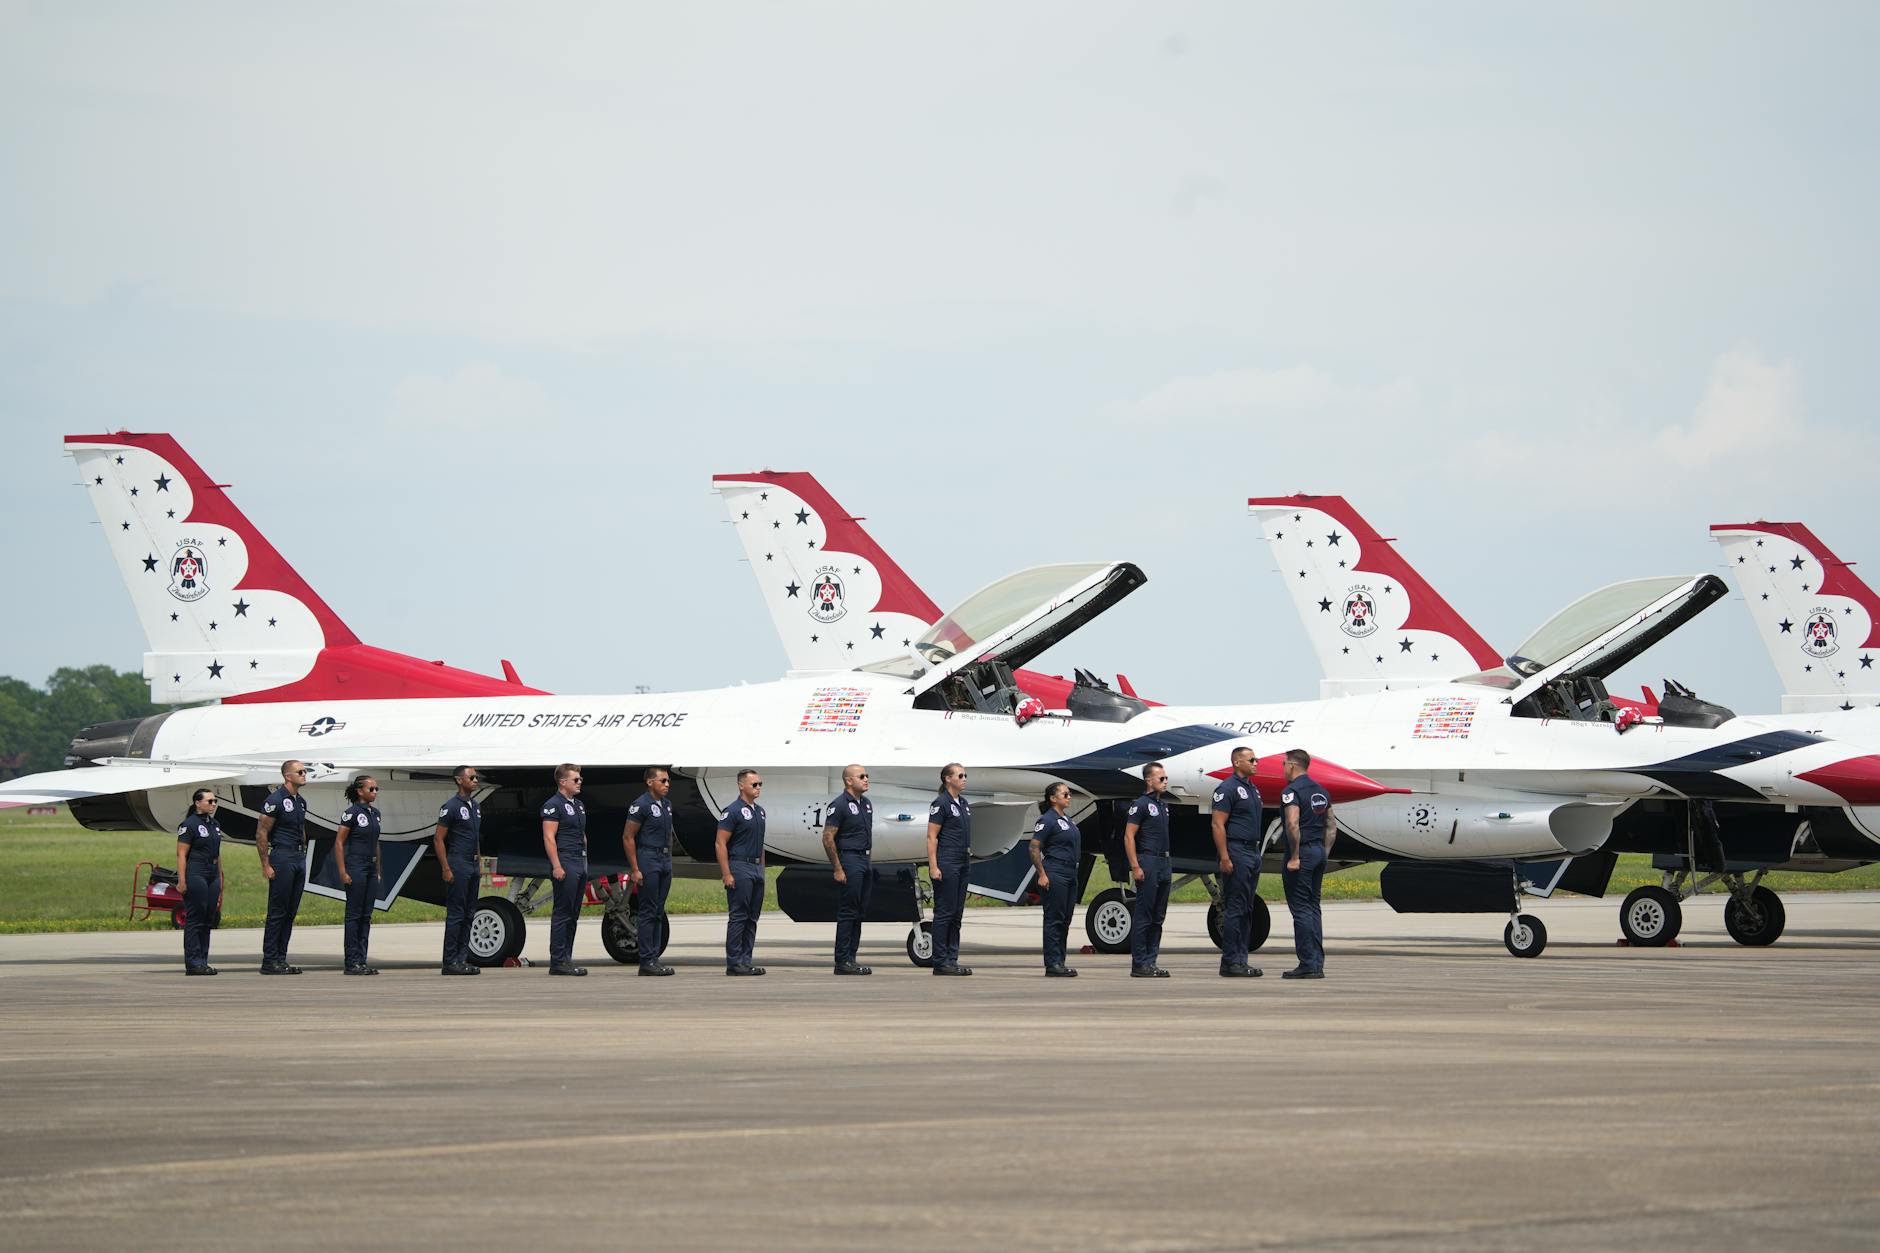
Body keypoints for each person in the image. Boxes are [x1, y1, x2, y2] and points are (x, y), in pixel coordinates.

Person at [1280, 749, 1335, 980]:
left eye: (1284, 764)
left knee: (1300, 909)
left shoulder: (1292, 792)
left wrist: (1294, 857)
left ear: (1292, 765)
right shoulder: (1321, 791)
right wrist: (1323, 852)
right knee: (1313, 907)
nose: (1283, 768)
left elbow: (1292, 824)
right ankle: (1317, 962)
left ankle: (1307, 963)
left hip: (1301, 853)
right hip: (1318, 851)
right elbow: (1331, 826)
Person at [1210, 746, 1265, 978]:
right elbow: (1217, 824)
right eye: (1251, 759)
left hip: (1252, 852)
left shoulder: (1252, 789)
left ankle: (1241, 960)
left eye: (1256, 758)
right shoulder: (1227, 789)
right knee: (1236, 908)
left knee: (1247, 908)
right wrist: (1224, 856)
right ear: (1236, 762)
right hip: (1237, 850)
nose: (1256, 762)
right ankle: (1231, 961)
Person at [256, 760, 310, 974]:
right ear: (288, 776)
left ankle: (281, 958)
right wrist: (266, 864)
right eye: (300, 772)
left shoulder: (301, 801)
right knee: (277, 911)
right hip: (282, 856)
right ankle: (269, 960)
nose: (304, 774)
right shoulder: (275, 800)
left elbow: (301, 829)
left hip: (297, 856)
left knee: (290, 911)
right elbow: (262, 833)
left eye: (305, 771)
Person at [623, 766, 676, 975]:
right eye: (662, 781)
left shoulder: (666, 805)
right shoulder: (641, 805)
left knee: (658, 911)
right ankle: (646, 960)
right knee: (648, 910)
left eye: (668, 781)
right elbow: (628, 837)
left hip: (664, 860)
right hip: (648, 858)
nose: (667, 785)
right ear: (650, 782)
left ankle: (655, 957)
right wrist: (635, 868)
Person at [823, 763, 874, 975]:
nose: (866, 779)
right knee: (848, 912)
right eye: (861, 776)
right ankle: (842, 960)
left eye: (867, 775)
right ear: (849, 781)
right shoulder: (839, 805)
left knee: (859, 912)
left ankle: (852, 958)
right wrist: (838, 867)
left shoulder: (866, 804)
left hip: (865, 860)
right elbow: (827, 838)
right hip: (849, 860)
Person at [715, 769, 767, 975]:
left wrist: (762, 868)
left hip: (756, 867)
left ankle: (746, 960)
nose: (758, 788)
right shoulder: (733, 811)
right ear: (741, 785)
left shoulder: (760, 811)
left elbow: (761, 843)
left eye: (760, 784)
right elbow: (720, 843)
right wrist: (726, 873)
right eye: (754, 784)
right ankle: (734, 962)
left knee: (752, 917)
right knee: (739, 916)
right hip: (739, 865)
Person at [1125, 762, 1173, 977]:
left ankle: (1151, 961)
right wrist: (1135, 865)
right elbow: (1129, 836)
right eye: (1161, 778)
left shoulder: (1162, 805)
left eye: (1165, 778)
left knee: (1158, 916)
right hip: (1148, 861)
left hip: (1164, 862)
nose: (1165, 781)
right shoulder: (1141, 804)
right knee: (1144, 914)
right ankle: (1139, 963)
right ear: (1149, 780)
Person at [434, 765, 483, 975]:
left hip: (472, 864)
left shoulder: (476, 806)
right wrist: (446, 867)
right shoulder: (451, 807)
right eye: (471, 777)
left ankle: (462, 959)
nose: (475, 780)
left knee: (469, 913)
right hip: (458, 862)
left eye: (476, 777)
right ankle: (449, 961)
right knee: (456, 914)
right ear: (459, 780)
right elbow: (438, 838)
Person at [541, 763, 589, 976]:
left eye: (580, 779)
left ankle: (566, 958)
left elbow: (581, 833)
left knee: (573, 913)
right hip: (566, 860)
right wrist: (557, 865)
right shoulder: (554, 805)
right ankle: (558, 960)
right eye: (575, 779)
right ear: (563, 782)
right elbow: (549, 837)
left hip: (580, 861)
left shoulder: (578, 804)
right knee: (563, 912)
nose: (580, 782)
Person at [926, 762, 973, 976]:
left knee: (957, 914)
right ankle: (940, 961)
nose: (964, 778)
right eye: (960, 775)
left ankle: (952, 959)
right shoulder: (941, 803)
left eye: (965, 775)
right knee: (944, 912)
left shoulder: (963, 803)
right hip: (948, 861)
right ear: (947, 779)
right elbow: (932, 836)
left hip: (963, 861)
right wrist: (934, 866)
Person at [1029, 782, 1081, 977]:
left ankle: (1060, 960)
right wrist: (1042, 874)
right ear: (1053, 798)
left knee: (1065, 919)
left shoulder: (1067, 819)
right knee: (1054, 919)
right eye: (1065, 794)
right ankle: (1052, 963)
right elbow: (1034, 848)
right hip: (1055, 871)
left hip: (1070, 872)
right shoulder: (1047, 819)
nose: (1069, 797)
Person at [334, 774, 383, 975]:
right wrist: (343, 871)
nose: (375, 792)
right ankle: (351, 961)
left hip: (371, 868)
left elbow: (376, 842)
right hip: (356, 866)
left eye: (376, 789)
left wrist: (378, 869)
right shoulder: (351, 813)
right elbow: (339, 842)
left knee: (366, 915)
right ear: (359, 791)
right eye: (371, 789)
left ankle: (361, 960)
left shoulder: (376, 813)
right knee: (354, 915)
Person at [175, 789, 222, 975]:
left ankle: (203, 959)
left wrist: (219, 876)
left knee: (208, 917)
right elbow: (181, 854)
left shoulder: (214, 824)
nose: (213, 804)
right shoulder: (189, 825)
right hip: (196, 871)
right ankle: (193, 962)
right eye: (209, 801)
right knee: (196, 916)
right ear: (197, 803)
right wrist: (182, 880)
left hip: (212, 872)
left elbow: (217, 853)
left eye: (214, 801)